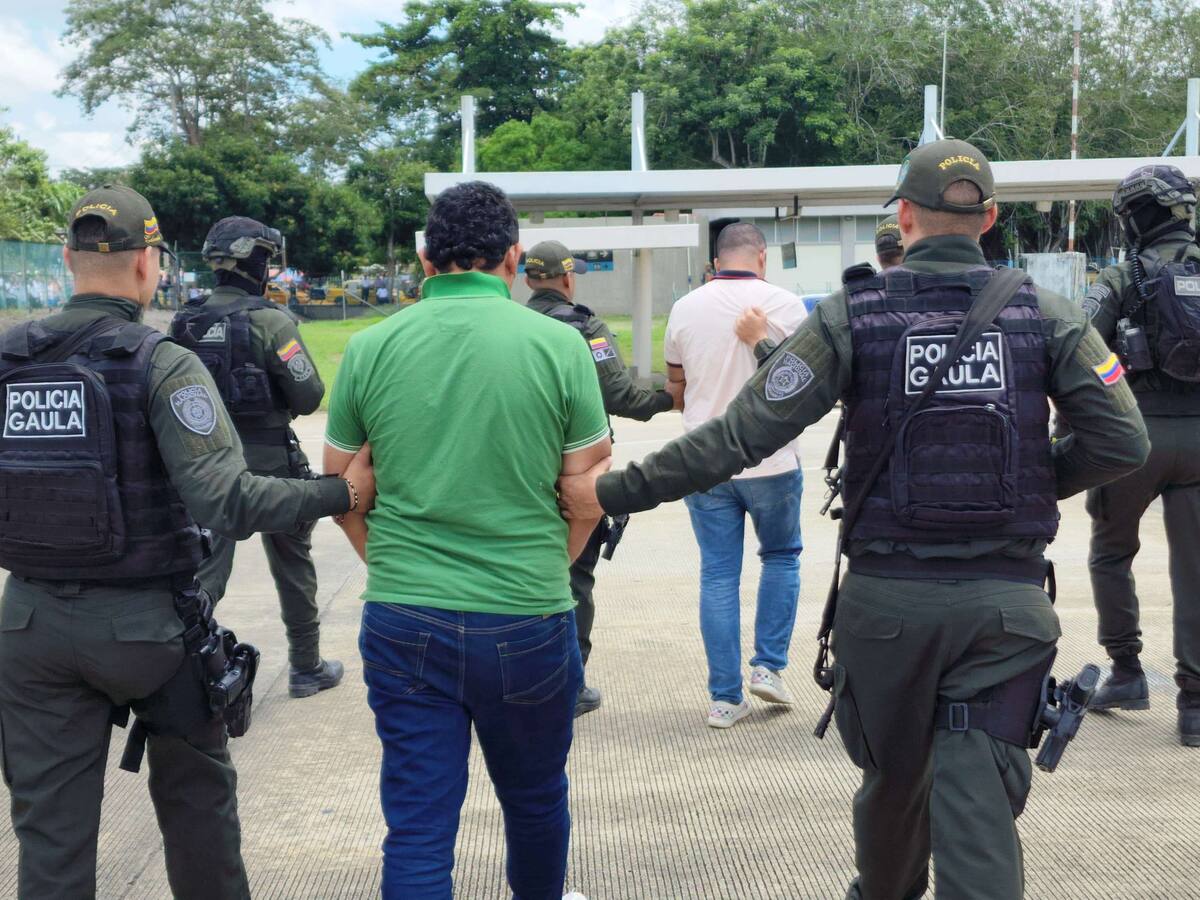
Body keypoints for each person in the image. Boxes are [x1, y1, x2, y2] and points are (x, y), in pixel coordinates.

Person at [558, 140, 1150, 899]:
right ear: (991, 219)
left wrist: (611, 493)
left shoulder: (849, 316)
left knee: (892, 791)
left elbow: (738, 437)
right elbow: (1122, 440)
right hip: (1004, 609)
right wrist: (1031, 482)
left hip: (888, 610)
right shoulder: (1049, 313)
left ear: (903, 217)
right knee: (978, 807)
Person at [0, 185, 373, 899]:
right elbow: (229, 498)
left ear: (64, 258)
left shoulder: (9, 356)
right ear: (149, 264)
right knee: (200, 812)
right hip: (149, 628)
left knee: (50, 839)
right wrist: (342, 494)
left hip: (29, 626)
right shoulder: (158, 361)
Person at [324, 181, 611, 900]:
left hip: (404, 615)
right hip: (529, 613)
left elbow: (339, 491)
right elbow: (587, 497)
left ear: (425, 258)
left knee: (419, 827)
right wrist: (552, 568)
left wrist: (389, 563)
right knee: (537, 800)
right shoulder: (561, 345)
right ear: (513, 258)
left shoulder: (369, 348)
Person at [170, 216, 343, 698]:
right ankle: (306, 667)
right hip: (272, 465)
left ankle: (180, 675)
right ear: (259, 264)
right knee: (293, 562)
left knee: (205, 573)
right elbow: (308, 395)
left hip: (203, 468)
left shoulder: (185, 320)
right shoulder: (270, 321)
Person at [525, 238, 682, 718]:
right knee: (574, 578)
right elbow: (620, 395)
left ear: (528, 280)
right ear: (569, 278)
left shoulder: (515, 326)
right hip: (577, 472)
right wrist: (668, 398)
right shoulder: (584, 326)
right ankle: (568, 688)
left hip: (520, 469)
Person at [662, 222, 808, 728]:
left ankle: (725, 698)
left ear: (716, 259)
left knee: (719, 574)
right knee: (782, 557)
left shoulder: (685, 307)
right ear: (761, 256)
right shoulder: (787, 305)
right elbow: (803, 384)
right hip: (772, 460)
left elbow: (675, 386)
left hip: (704, 461)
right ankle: (767, 668)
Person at [1076, 164, 1200, 745]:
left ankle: (1126, 673)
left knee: (1110, 551)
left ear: (1139, 216)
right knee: (1194, 571)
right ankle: (1196, 706)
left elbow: (1081, 348)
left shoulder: (1120, 275)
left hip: (1134, 439)